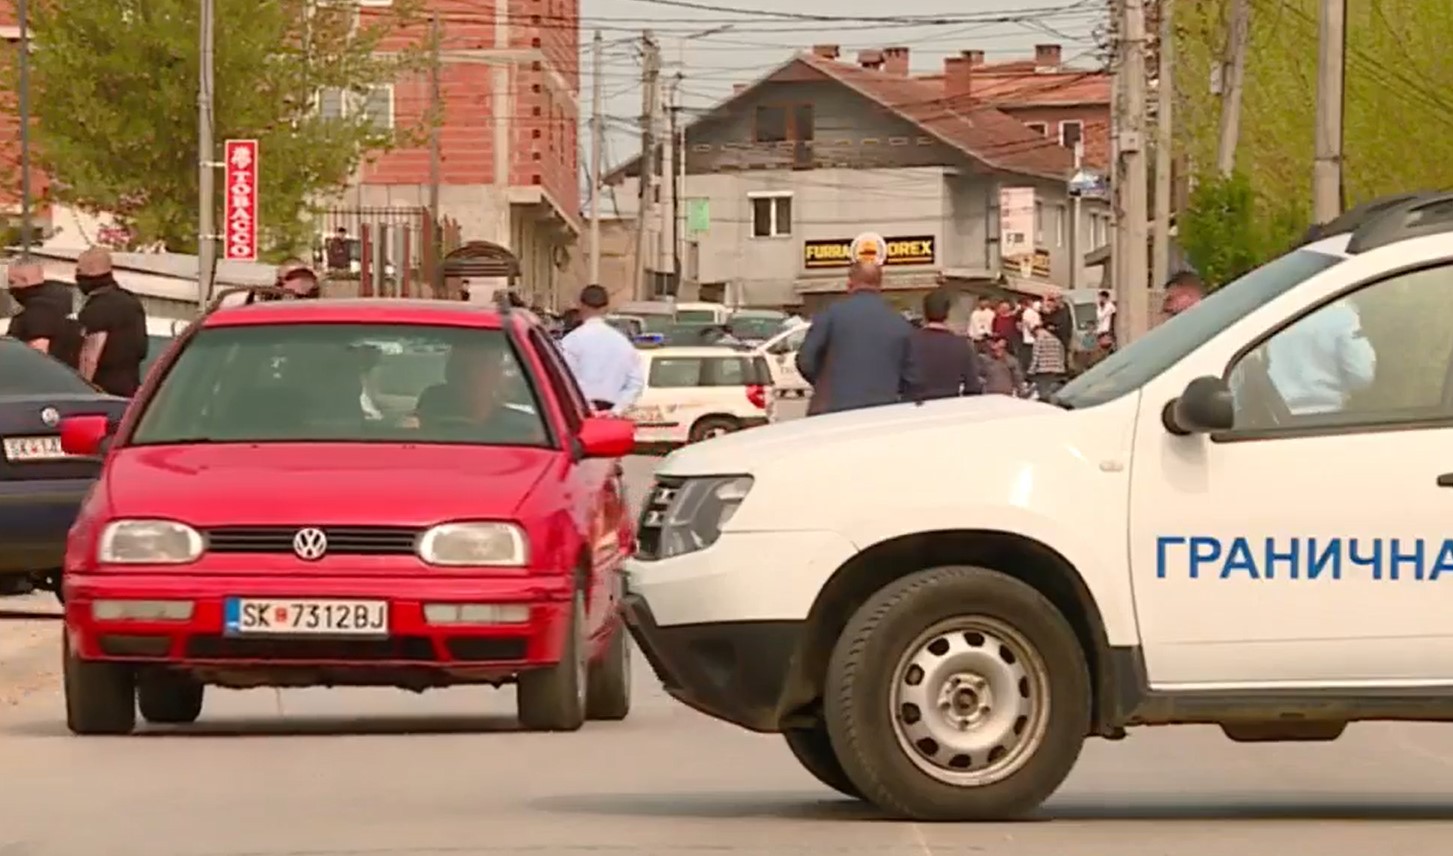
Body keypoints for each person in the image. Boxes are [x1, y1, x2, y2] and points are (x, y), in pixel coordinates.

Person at [796, 261, 917, 415]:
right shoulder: (900, 324)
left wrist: (824, 384)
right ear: (880, 284)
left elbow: (806, 361)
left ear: (850, 283)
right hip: (882, 414)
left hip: (832, 412)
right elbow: (912, 377)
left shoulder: (831, 315)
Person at [415, 338, 545, 443]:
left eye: (481, 365)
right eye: (463, 367)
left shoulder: (526, 431)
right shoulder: (432, 406)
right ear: (450, 371)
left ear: (496, 373)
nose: (472, 375)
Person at [559, 284, 645, 415]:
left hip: (580, 415)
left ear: (581, 305)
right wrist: (617, 410)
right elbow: (635, 382)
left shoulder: (570, 342)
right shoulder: (623, 343)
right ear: (606, 307)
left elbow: (564, 379)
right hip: (612, 416)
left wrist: (587, 408)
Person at [75, 247, 147, 396]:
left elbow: (90, 356)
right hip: (131, 390)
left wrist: (83, 390)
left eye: (78, 271)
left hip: (104, 390)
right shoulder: (131, 302)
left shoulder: (98, 307)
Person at [4, 257, 82, 369]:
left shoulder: (37, 307)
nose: (10, 287)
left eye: (12, 282)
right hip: (69, 375)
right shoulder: (64, 295)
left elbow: (38, 352)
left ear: (25, 280)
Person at [906, 289, 982, 401]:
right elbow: (973, 386)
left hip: (916, 408)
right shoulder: (961, 344)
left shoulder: (910, 342)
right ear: (947, 312)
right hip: (949, 406)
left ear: (925, 312)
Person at [1026, 320, 1068, 399]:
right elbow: (1062, 356)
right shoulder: (1057, 340)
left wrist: (1030, 372)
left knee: (1043, 392)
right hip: (1057, 370)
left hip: (1043, 370)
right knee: (1052, 391)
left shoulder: (1039, 340)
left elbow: (1036, 357)